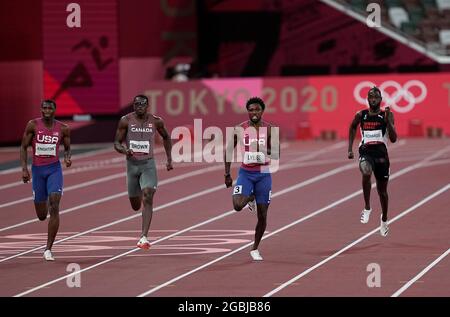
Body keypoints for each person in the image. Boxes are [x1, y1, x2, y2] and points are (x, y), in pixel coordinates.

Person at [114, 94, 173, 249]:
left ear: (148, 106)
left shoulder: (156, 121)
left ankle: (144, 237)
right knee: (135, 205)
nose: (139, 106)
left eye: (142, 104)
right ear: (133, 106)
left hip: (148, 164)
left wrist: (169, 159)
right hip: (132, 166)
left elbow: (167, 137)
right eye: (136, 104)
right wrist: (124, 150)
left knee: (148, 195)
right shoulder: (125, 120)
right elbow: (117, 143)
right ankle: (138, 193)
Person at [224, 97, 279, 261]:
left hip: (263, 175)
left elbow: (276, 153)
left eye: (257, 110)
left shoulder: (270, 129)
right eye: (251, 110)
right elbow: (228, 151)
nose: (254, 113)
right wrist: (227, 174)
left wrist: (263, 150)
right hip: (246, 174)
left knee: (262, 215)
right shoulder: (240, 129)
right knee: (237, 205)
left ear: (262, 111)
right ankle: (251, 197)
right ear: (248, 111)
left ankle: (255, 248)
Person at [20, 100, 72, 261]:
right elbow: (23, 147)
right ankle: (44, 198)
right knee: (42, 215)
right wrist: (24, 169)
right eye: (44, 108)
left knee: (55, 205)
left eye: (50, 108)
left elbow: (67, 147)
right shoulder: (33, 125)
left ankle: (48, 249)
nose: (47, 110)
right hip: (38, 171)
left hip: (54, 170)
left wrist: (67, 157)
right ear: (41, 110)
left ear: (55, 110)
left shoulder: (63, 128)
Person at [348, 87, 397, 236]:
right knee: (365, 170)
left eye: (376, 97)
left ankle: (384, 219)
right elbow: (352, 127)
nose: (373, 99)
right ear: (367, 99)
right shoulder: (361, 115)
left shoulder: (386, 114)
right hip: (366, 152)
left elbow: (394, 139)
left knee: (382, 192)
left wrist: (388, 122)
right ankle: (367, 207)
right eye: (370, 97)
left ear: (380, 99)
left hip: (382, 155)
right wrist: (350, 148)